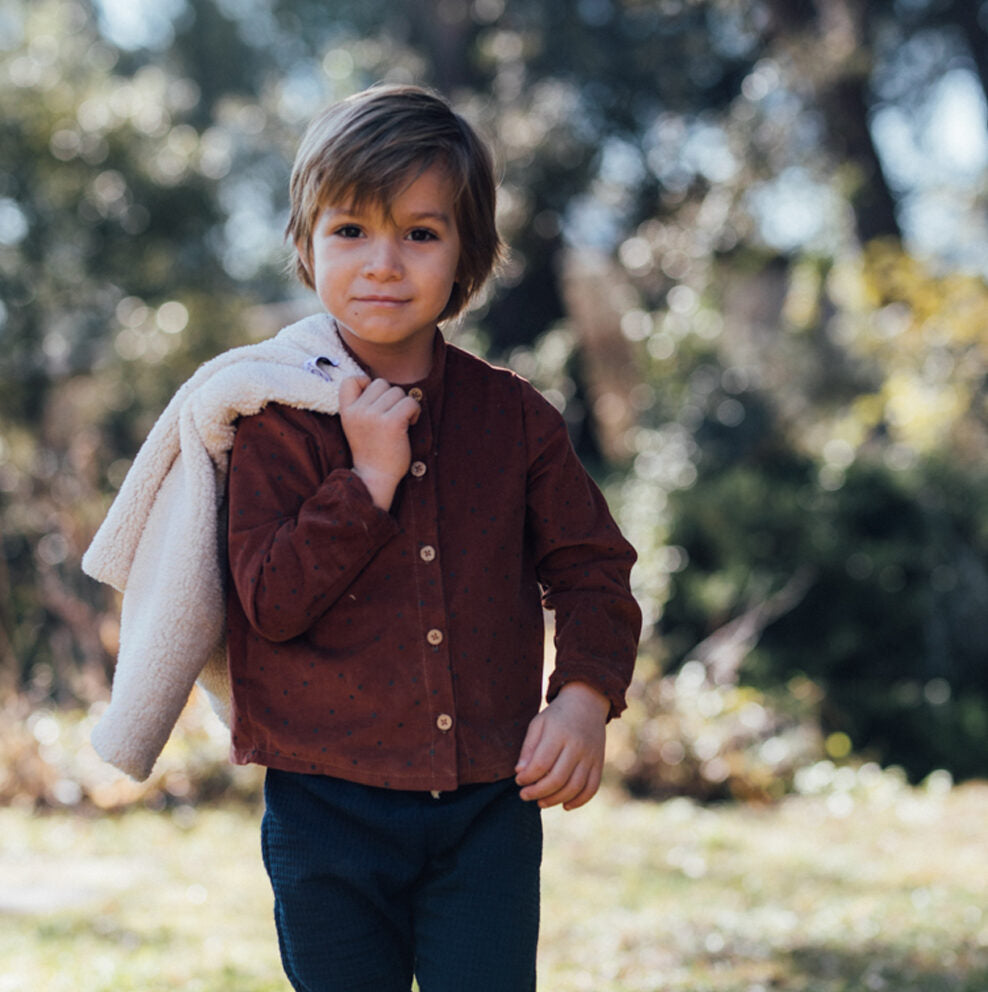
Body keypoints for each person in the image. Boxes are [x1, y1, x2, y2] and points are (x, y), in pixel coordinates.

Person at [225, 83, 641, 992]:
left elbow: (593, 569)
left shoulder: (516, 419)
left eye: (419, 232)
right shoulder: (267, 418)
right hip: (322, 806)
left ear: (468, 256)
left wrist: (581, 696)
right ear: (305, 244)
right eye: (350, 231)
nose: (383, 263)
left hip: (487, 811)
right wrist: (367, 481)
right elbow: (269, 602)